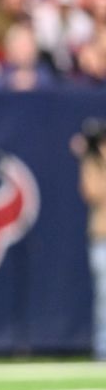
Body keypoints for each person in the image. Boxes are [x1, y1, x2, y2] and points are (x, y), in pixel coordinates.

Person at [71, 118, 106, 361]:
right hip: (102, 237)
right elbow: (91, 192)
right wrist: (88, 158)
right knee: (104, 296)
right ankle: (103, 347)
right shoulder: (91, 164)